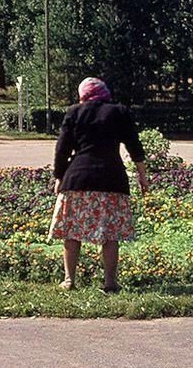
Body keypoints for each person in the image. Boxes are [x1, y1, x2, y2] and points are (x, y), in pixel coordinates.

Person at [50, 77, 148, 293]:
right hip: (111, 178)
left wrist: (59, 177)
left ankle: (69, 280)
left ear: (82, 94)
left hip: (77, 179)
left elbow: (62, 149)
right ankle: (110, 282)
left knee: (72, 232)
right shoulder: (119, 112)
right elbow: (134, 145)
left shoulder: (74, 112)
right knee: (110, 234)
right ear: (106, 93)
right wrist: (142, 175)